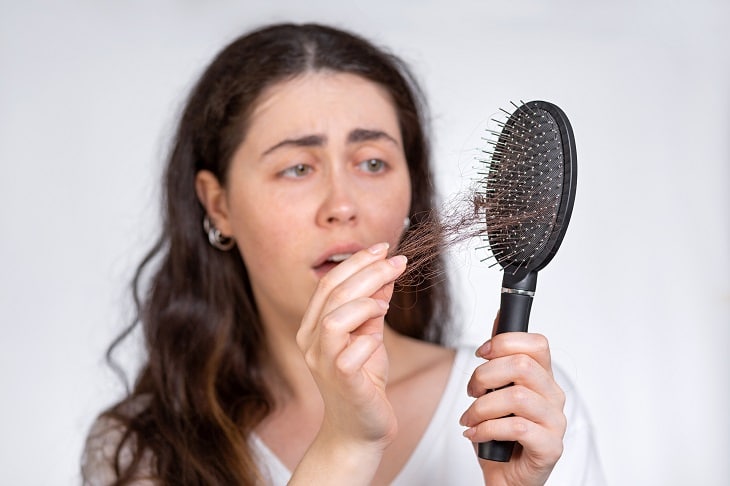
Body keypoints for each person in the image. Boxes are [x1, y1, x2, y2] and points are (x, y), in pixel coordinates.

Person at [82, 22, 604, 485]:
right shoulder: (140, 451)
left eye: (373, 163)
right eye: (297, 168)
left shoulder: (519, 413)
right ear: (218, 206)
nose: (343, 206)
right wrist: (345, 445)